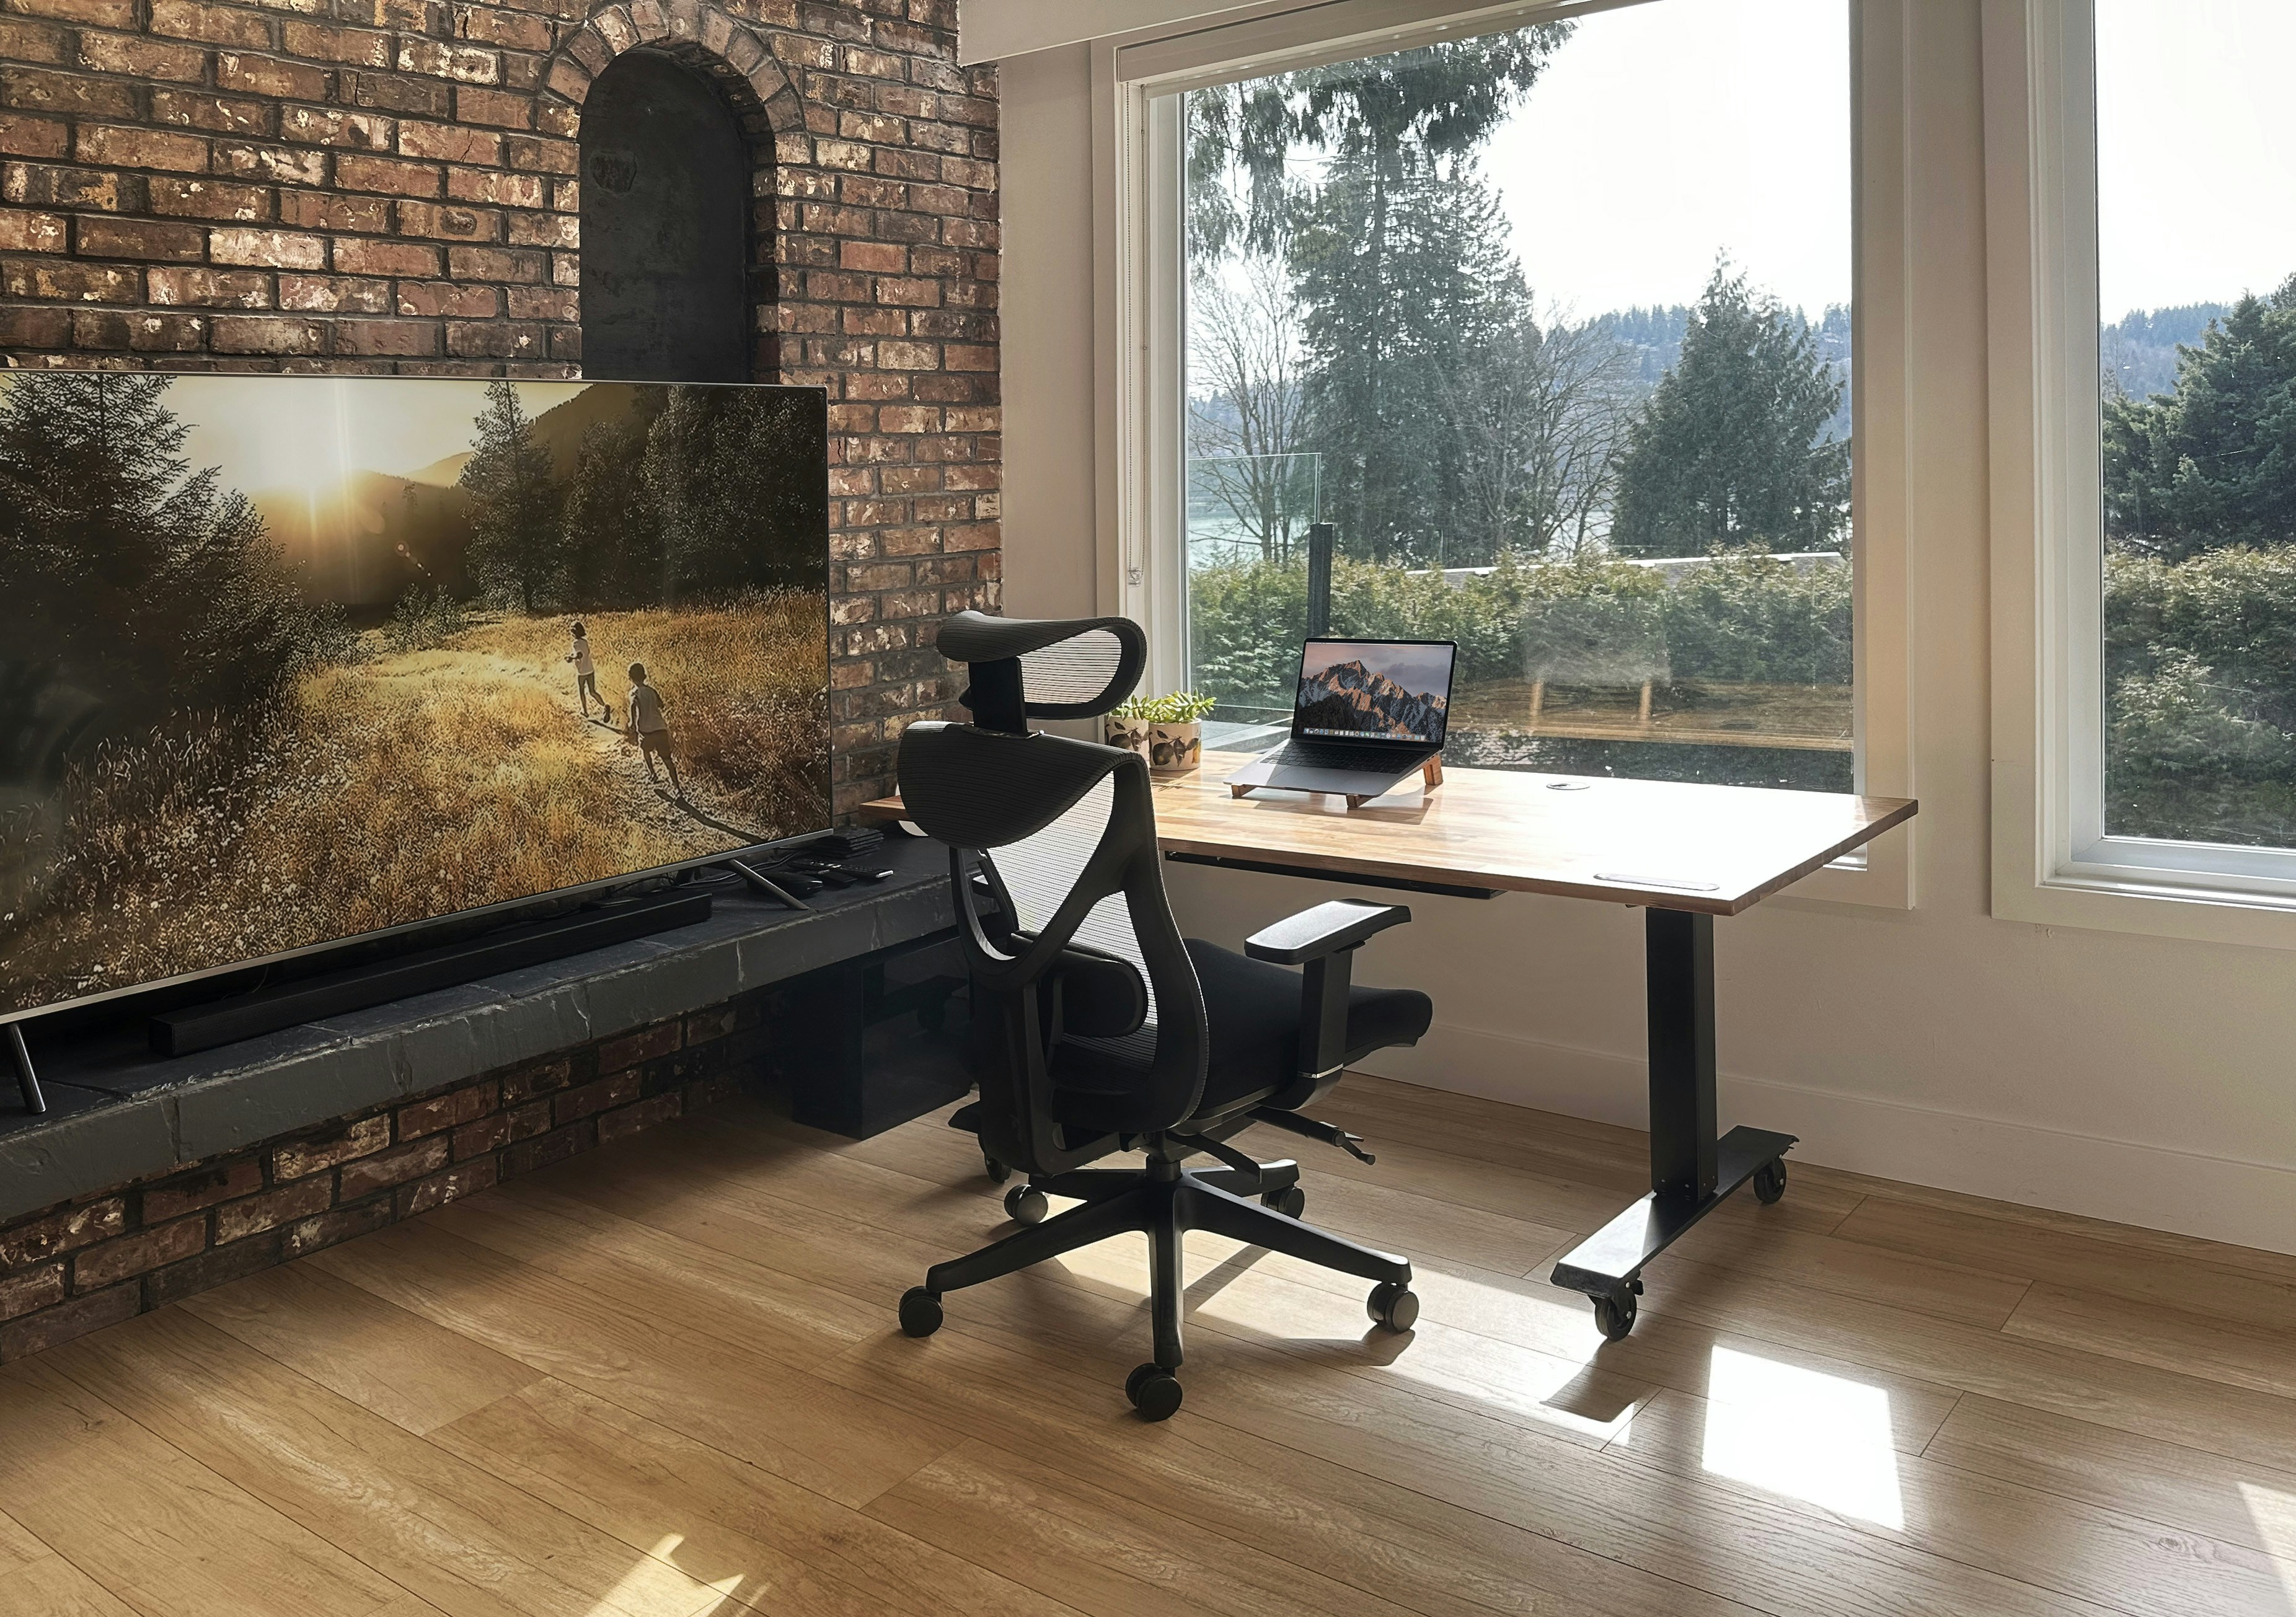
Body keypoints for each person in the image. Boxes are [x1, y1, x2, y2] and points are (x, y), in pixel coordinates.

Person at [625, 661, 684, 799]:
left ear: (630, 678)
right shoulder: (652, 691)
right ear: (645, 676)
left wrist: (632, 723)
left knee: (646, 751)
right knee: (667, 759)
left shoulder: (634, 693)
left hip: (646, 730)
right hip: (660, 728)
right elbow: (661, 705)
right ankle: (677, 788)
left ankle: (652, 773)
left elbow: (633, 706)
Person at [567, 622, 608, 725]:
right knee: (592, 691)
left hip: (582, 672)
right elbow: (585, 653)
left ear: (574, 632)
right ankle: (604, 706)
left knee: (581, 691)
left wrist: (571, 658)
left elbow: (579, 655)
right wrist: (573, 655)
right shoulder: (585, 642)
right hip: (590, 669)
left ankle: (585, 711)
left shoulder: (575, 643)